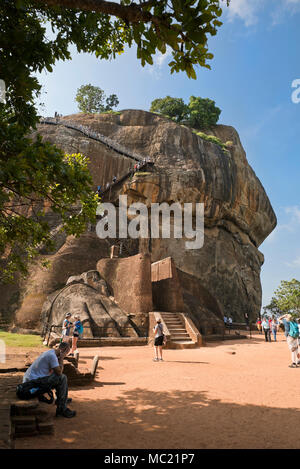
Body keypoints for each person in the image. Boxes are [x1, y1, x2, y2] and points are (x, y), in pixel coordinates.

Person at [23, 342, 76, 418]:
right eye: (66, 352)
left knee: (58, 378)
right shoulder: (52, 356)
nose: (66, 354)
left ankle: (61, 400)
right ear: (63, 350)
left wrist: (60, 358)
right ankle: (62, 409)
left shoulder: (51, 352)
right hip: (32, 385)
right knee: (62, 378)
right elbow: (59, 372)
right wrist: (61, 358)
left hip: (31, 380)